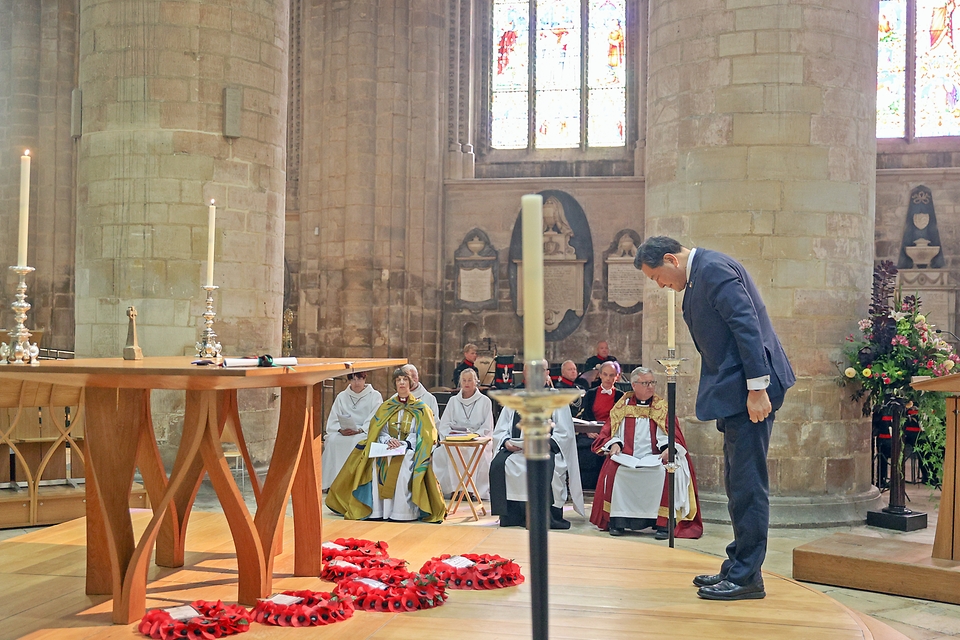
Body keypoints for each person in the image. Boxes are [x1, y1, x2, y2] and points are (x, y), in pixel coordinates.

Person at [636, 236, 795, 601]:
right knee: (736, 481)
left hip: (749, 390)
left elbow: (746, 325)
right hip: (736, 392)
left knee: (748, 484)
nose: (660, 285)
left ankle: (747, 578)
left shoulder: (712, 270)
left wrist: (757, 389)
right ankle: (737, 565)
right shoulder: (701, 273)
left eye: (656, 276)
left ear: (671, 260)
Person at [590, 367, 703, 540]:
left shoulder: (661, 407)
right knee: (617, 472)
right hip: (627, 458)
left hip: (655, 458)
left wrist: (668, 448)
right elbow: (609, 432)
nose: (650, 387)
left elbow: (672, 435)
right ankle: (619, 521)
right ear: (634, 385)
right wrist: (615, 444)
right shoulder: (622, 406)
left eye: (652, 382)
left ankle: (663, 525)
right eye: (645, 383)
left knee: (662, 472)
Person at [325, 368, 446, 523]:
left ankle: (402, 513)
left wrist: (404, 443)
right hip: (386, 447)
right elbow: (378, 430)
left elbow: (425, 434)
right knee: (374, 462)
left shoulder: (422, 408)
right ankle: (378, 511)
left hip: (410, 450)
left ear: (411, 383)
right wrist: (388, 440)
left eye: (405, 379)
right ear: (394, 384)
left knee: (403, 464)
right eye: (398, 380)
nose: (401, 383)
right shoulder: (386, 406)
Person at [489, 361, 584, 530]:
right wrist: (506, 442)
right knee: (501, 464)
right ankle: (512, 516)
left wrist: (547, 444)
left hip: (545, 451)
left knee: (540, 467)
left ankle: (543, 517)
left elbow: (565, 433)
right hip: (517, 451)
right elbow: (501, 429)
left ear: (547, 373)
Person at [434, 368, 495, 498]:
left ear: (476, 382)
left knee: (476, 451)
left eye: (470, 380)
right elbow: (444, 425)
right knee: (448, 451)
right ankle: (455, 490)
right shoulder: (453, 401)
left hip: (477, 441)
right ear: (460, 382)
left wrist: (475, 436)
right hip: (455, 440)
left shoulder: (485, 401)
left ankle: (472, 491)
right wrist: (451, 435)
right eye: (464, 380)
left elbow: (487, 427)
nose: (467, 383)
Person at [321, 371, 383, 491]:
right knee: (333, 440)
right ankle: (331, 483)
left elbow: (375, 416)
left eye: (359, 379)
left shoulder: (374, 396)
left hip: (362, 432)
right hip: (344, 432)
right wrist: (340, 429)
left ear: (365, 379)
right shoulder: (342, 396)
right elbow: (333, 418)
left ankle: (352, 483)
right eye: (353, 380)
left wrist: (360, 429)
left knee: (357, 442)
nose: (356, 383)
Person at [574, 361, 624, 491]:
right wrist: (589, 431)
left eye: (612, 375)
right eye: (605, 374)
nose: (608, 378)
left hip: (611, 434)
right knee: (587, 447)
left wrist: (607, 433)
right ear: (600, 375)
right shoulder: (590, 394)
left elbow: (621, 420)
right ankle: (587, 486)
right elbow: (584, 416)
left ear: (617, 377)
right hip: (591, 432)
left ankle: (607, 488)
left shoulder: (621, 396)